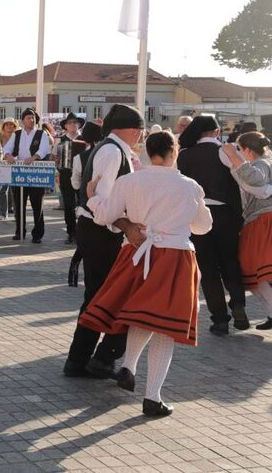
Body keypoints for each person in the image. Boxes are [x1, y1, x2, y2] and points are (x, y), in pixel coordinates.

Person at [78, 131, 211, 417]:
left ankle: (129, 366)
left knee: (143, 315)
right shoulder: (189, 186)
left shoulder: (129, 181)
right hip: (174, 257)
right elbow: (203, 227)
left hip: (139, 255)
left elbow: (104, 216)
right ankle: (152, 397)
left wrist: (92, 197)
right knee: (164, 326)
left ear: (148, 152)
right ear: (174, 152)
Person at [64, 104, 145, 379]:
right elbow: (103, 203)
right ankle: (91, 358)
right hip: (99, 230)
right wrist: (127, 226)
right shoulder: (112, 152)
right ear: (132, 130)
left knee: (101, 295)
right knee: (107, 296)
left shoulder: (113, 149)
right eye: (140, 130)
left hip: (99, 229)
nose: (140, 135)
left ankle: (85, 359)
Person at [177, 115, 249, 334]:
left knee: (207, 269)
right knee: (230, 262)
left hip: (197, 216)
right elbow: (243, 181)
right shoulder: (225, 151)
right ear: (217, 131)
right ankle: (238, 303)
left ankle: (219, 319)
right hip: (225, 214)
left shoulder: (184, 155)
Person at [223, 132, 272, 330]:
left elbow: (255, 179)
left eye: (240, 149)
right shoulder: (265, 162)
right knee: (258, 273)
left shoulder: (261, 164)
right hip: (260, 220)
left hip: (261, 221)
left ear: (248, 150)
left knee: (253, 272)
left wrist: (233, 157)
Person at [2, 108, 52, 243]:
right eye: (29, 117)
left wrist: (34, 157)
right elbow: (7, 148)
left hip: (36, 173)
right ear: (23, 120)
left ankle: (37, 234)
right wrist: (8, 155)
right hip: (19, 172)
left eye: (33, 117)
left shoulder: (42, 133)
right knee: (19, 204)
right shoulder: (17, 134)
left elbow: (44, 149)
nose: (32, 120)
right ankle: (20, 231)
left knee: (37, 205)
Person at [67, 121, 103, 287]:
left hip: (86, 206)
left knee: (84, 241)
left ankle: (74, 268)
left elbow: (75, 184)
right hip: (105, 207)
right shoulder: (109, 155)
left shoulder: (79, 158)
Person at [57, 112, 85, 245]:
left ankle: (82, 233)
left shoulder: (85, 139)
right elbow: (55, 157)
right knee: (68, 205)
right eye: (70, 123)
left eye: (75, 122)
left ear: (79, 124)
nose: (73, 125)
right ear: (66, 126)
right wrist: (57, 161)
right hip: (66, 175)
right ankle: (71, 233)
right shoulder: (61, 140)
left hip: (83, 176)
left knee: (84, 204)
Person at [0, 118, 18, 220]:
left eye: (11, 124)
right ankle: (2, 213)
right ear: (3, 127)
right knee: (2, 190)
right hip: (2, 165)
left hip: (15, 165)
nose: (9, 126)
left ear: (14, 126)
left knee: (16, 191)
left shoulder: (18, 137)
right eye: (7, 124)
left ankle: (18, 215)